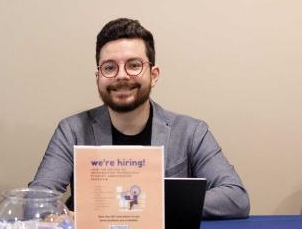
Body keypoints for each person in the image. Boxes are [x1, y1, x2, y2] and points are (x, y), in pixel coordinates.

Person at [29, 18, 249, 218]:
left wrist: (140, 203)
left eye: (134, 65)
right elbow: (35, 202)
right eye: (109, 67)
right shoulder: (72, 130)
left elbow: (235, 198)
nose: (122, 75)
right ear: (98, 78)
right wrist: (63, 218)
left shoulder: (191, 132)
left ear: (153, 75)